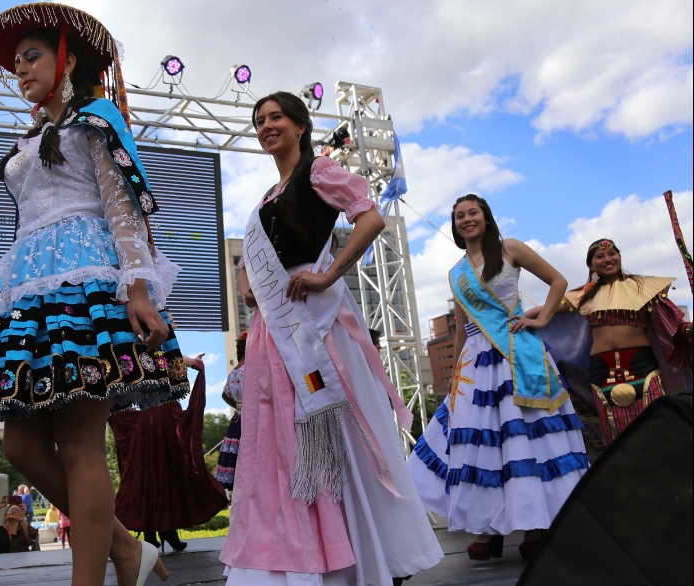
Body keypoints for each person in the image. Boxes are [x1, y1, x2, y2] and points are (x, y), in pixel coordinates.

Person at [0, 4, 182, 584]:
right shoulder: (36, 133)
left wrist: (136, 287)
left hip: (88, 279)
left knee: (80, 442)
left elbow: (124, 208)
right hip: (31, 290)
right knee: (20, 444)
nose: (21, 70)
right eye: (15, 63)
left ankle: (92, 578)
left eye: (31, 56)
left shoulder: (97, 117)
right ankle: (126, 548)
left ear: (66, 58)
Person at [220, 91, 443, 585]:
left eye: (276, 117)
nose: (266, 125)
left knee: (341, 428)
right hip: (278, 329)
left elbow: (371, 217)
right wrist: (252, 291)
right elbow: (245, 269)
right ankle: (312, 552)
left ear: (300, 126)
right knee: (287, 440)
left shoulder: (318, 173)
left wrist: (329, 275)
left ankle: (372, 553)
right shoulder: (265, 200)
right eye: (259, 120)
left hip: (317, 321)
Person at [407, 194, 589, 562]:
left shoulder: (510, 248)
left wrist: (541, 318)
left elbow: (558, 281)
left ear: (486, 218)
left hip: (518, 357)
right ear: (456, 226)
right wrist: (454, 375)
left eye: (473, 213)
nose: (466, 219)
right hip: (476, 365)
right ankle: (487, 530)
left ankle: (537, 526)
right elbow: (461, 329)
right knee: (480, 448)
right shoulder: (457, 273)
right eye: (459, 216)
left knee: (527, 441)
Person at [541, 238, 693, 447]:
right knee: (614, 427)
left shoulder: (644, 288)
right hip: (602, 367)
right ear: (591, 265)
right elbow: (546, 311)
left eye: (612, 253)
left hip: (641, 364)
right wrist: (517, 317)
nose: (607, 259)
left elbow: (672, 321)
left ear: (619, 257)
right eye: (600, 256)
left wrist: (688, 330)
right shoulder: (584, 296)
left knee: (654, 421)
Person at [109, 354, 228, 553]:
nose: (171, 321)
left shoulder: (138, 353)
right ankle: (165, 531)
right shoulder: (162, 351)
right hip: (163, 417)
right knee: (165, 474)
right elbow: (195, 364)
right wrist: (193, 362)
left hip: (149, 420)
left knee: (152, 475)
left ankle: (154, 533)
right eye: (170, 320)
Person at [217, 333, 247, 493]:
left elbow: (224, 395)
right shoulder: (250, 369)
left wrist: (238, 405)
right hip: (250, 419)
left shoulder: (233, 373)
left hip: (238, 420)